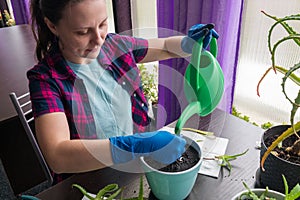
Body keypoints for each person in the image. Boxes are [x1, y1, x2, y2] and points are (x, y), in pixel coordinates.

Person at [28, 0, 219, 184]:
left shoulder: (115, 46)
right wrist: (135, 145)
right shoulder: (46, 80)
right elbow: (58, 156)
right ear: (52, 26)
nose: (98, 39)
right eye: (83, 32)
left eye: (102, 24)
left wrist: (188, 44)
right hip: (88, 179)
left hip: (132, 167)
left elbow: (166, 47)